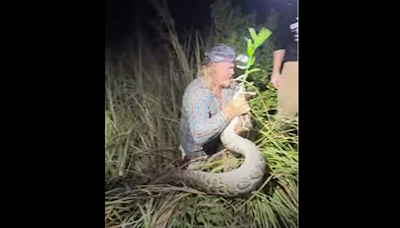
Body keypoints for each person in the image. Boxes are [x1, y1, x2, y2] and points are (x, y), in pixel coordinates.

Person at [179, 44, 251, 164]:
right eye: (229, 68)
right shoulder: (197, 92)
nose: (233, 72)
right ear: (213, 67)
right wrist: (229, 112)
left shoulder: (231, 88)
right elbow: (199, 135)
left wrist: (241, 123)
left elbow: (240, 123)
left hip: (223, 151)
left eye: (233, 68)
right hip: (197, 157)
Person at [270, 0, 298, 120]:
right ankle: (279, 137)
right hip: (293, 64)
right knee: (285, 115)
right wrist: (276, 71)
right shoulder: (290, 11)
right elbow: (280, 43)